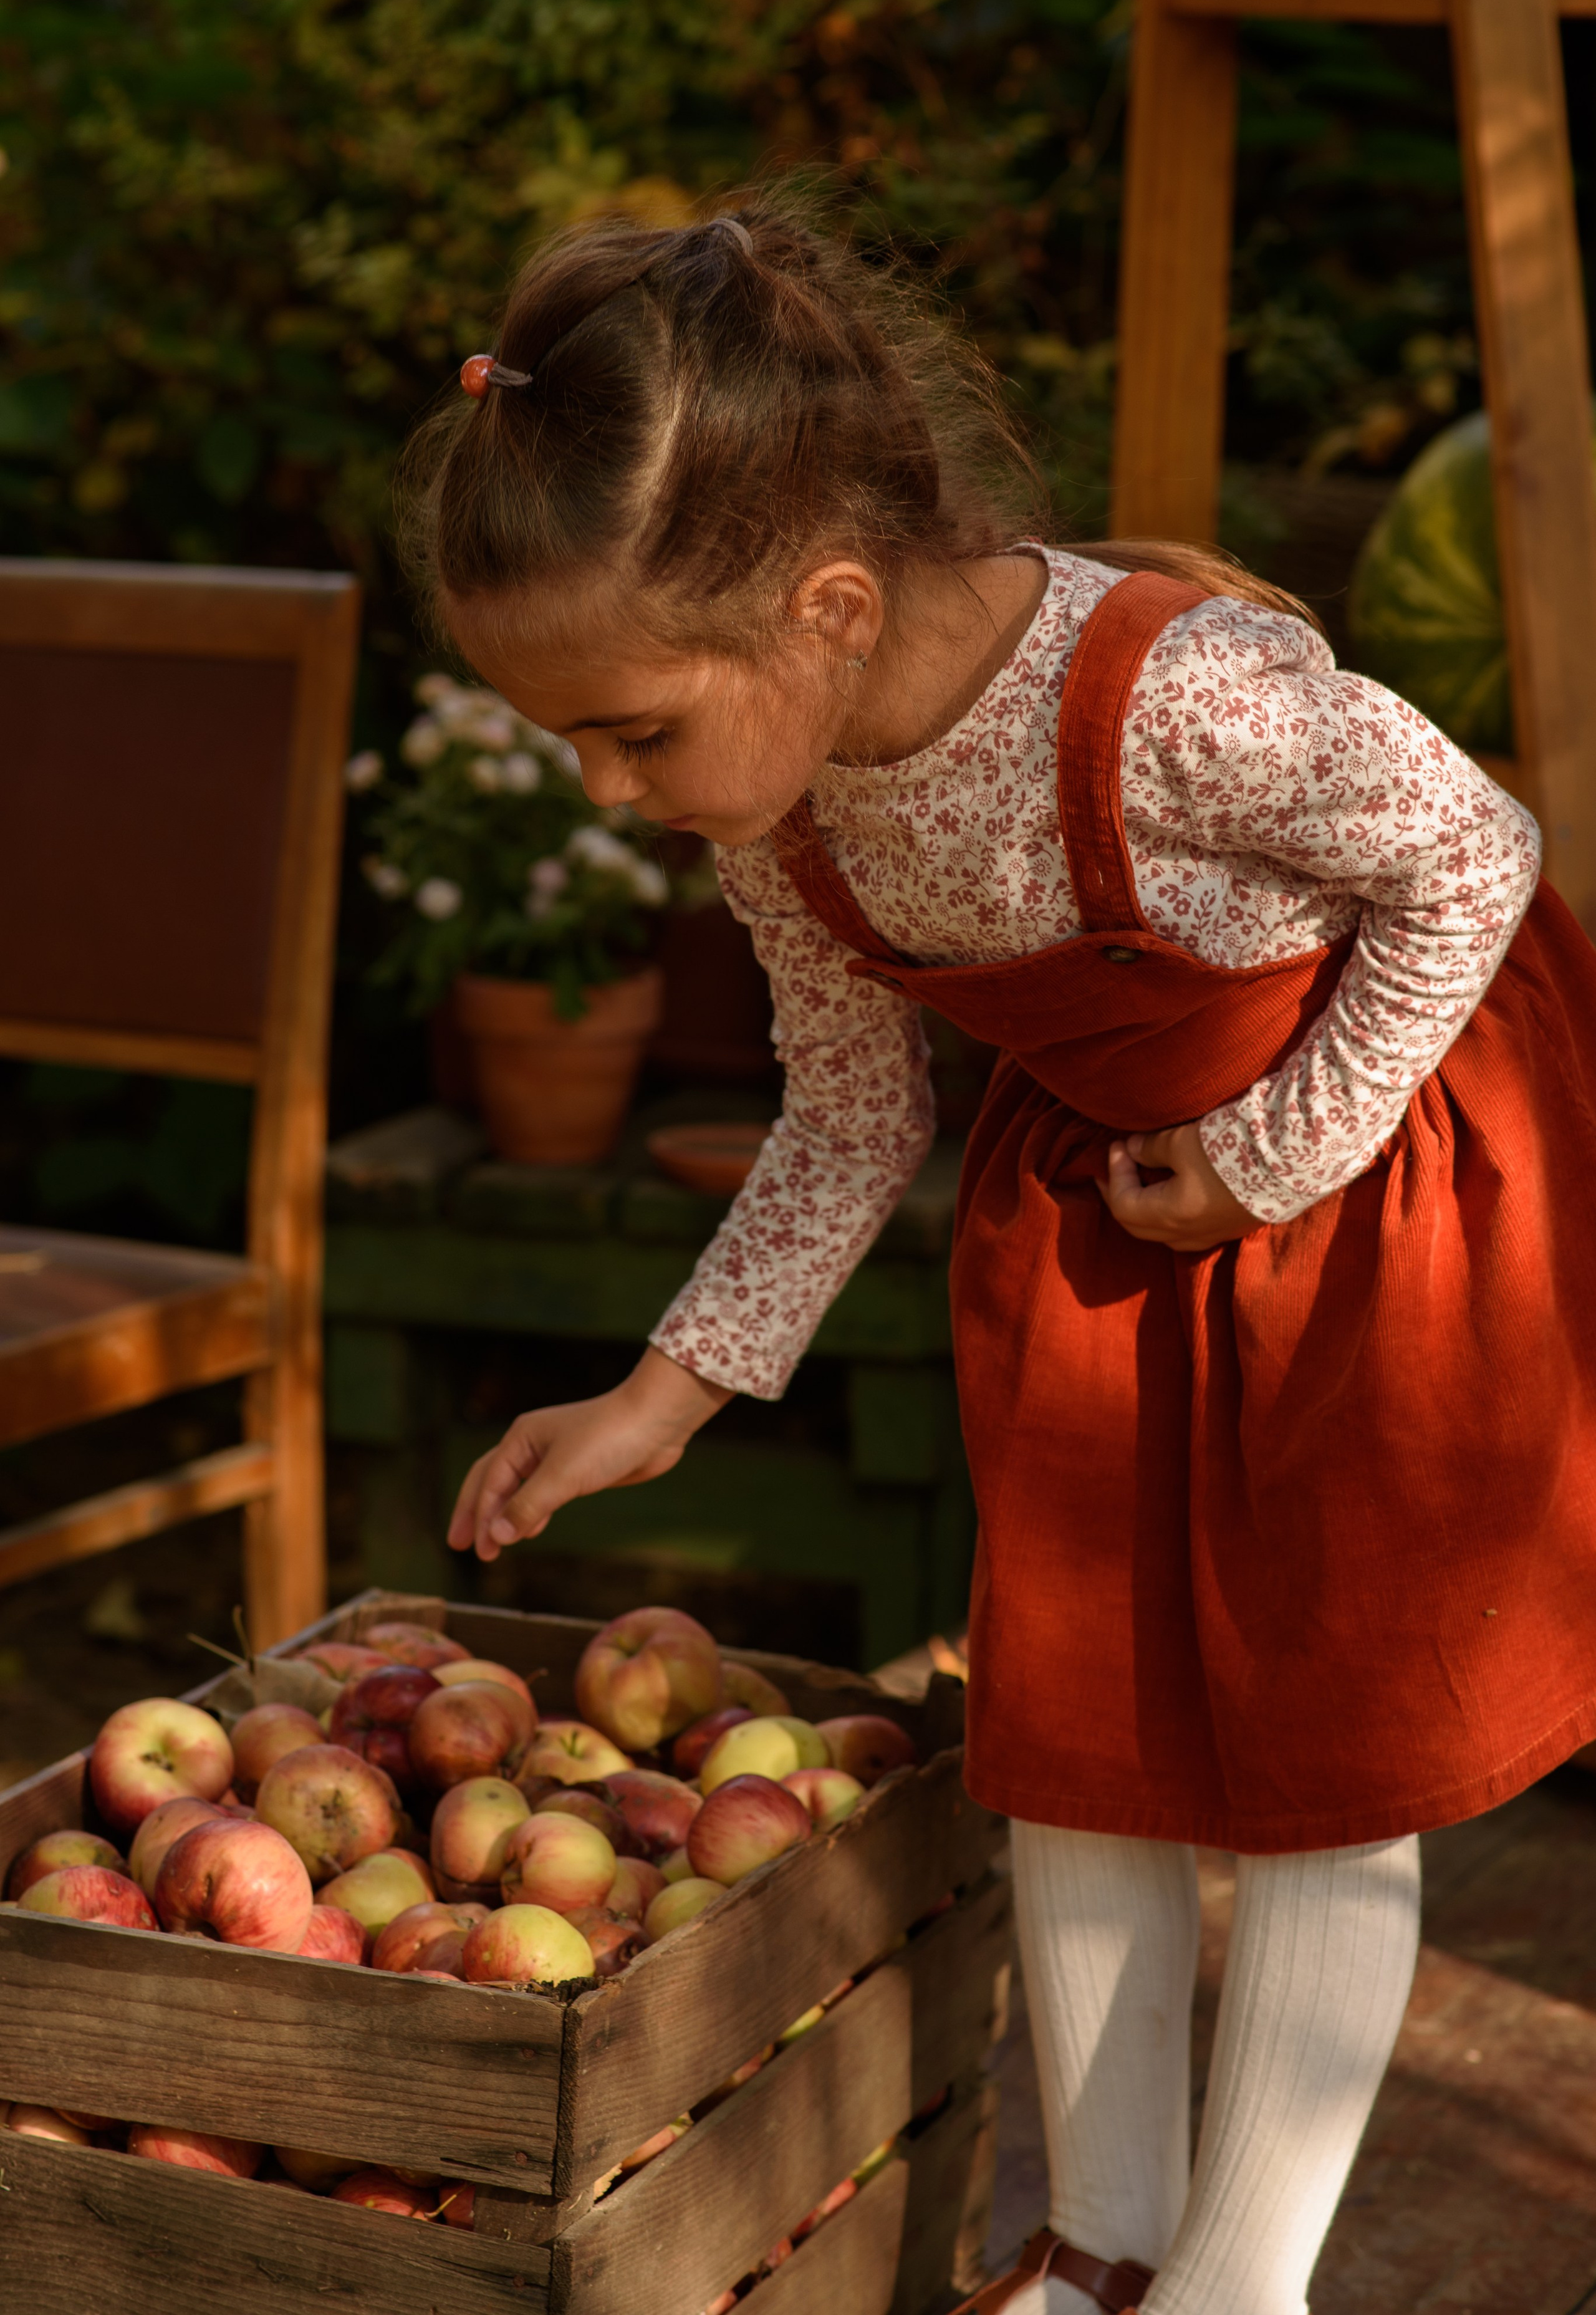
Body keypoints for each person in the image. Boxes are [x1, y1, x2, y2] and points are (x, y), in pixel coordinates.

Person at [408, 198, 1596, 2315]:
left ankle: (1237, 2287)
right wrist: (659, 1396)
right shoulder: (779, 811)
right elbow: (856, 1105)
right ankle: (1099, 2245)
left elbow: (1474, 851)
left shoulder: (1179, 704)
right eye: (566, 740)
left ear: (828, 606)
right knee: (1071, 1720)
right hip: (1123, 1228)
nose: (605, 790)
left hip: (1364, 1180)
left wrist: (1267, 1155)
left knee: (1328, 1760)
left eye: (635, 731)